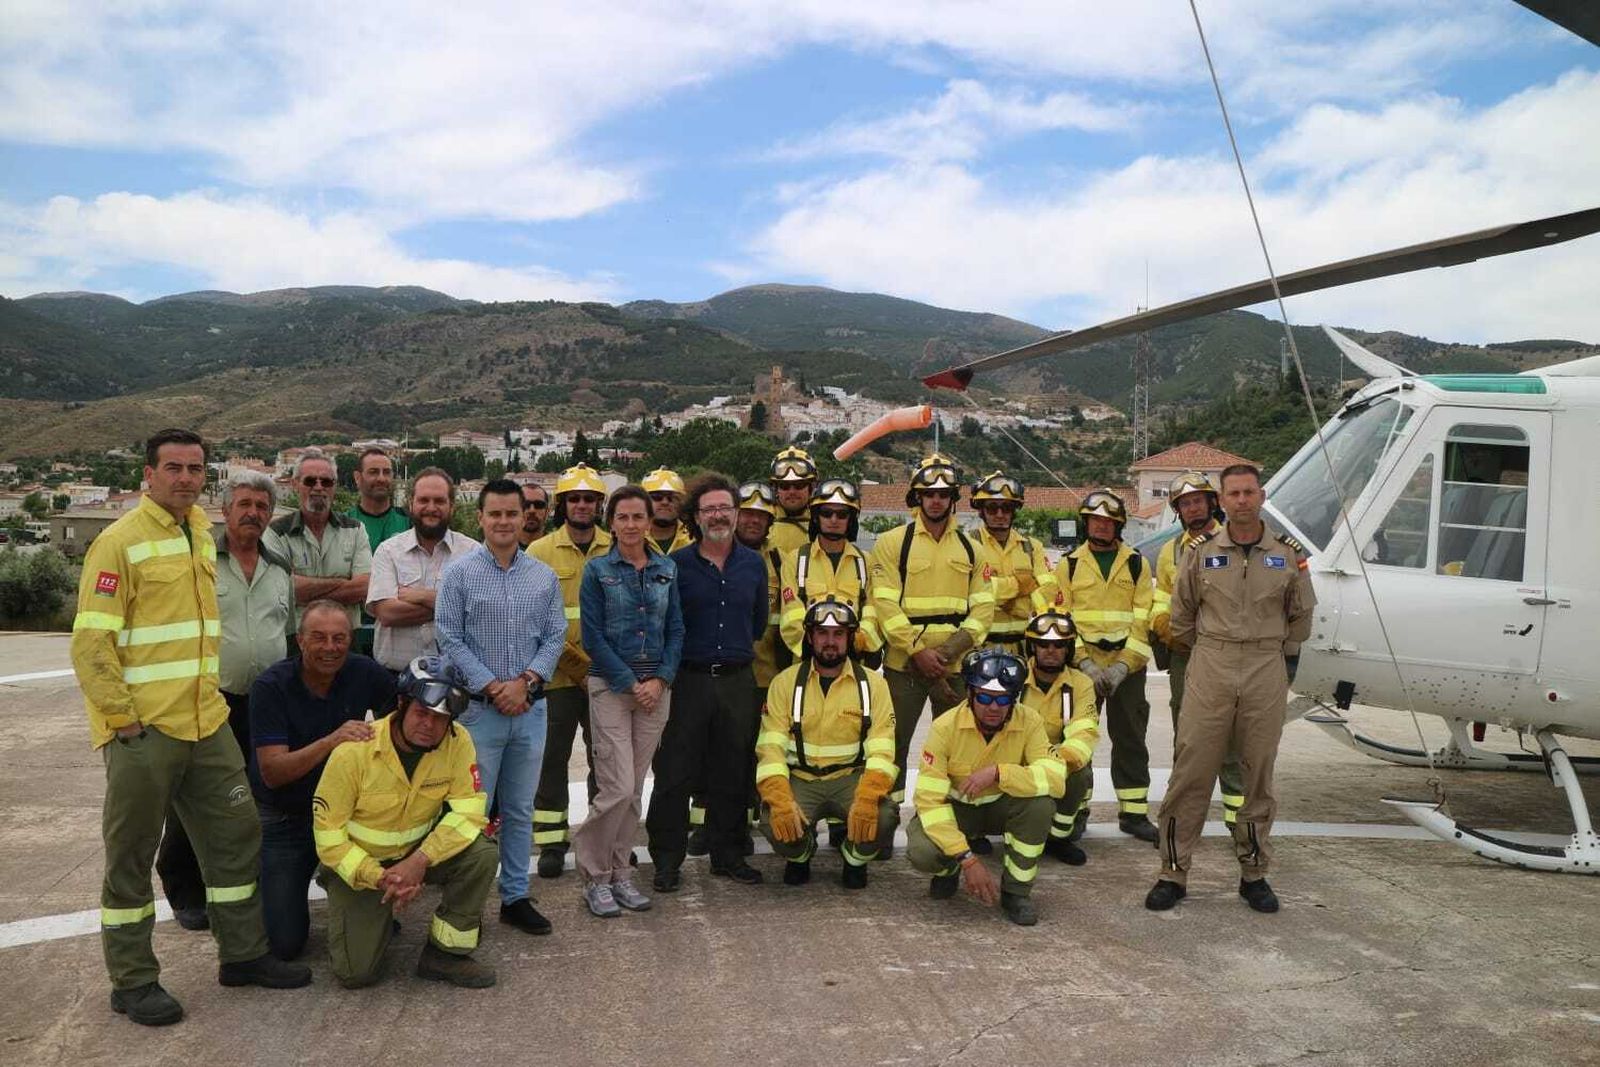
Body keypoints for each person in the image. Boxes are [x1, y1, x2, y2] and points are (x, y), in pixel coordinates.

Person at [71, 428, 310, 1027]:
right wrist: (123, 723)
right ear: (147, 476)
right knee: (130, 856)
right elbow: (92, 642)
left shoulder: (200, 535)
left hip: (207, 722)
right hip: (144, 731)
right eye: (172, 468)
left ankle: (243, 955)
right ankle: (133, 981)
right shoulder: (119, 543)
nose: (184, 477)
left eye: (195, 468)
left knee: (234, 839)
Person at [1146, 465, 1314, 914]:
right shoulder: (1199, 552)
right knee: (1191, 770)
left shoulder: (1285, 553)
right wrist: (1211, 649)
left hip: (1265, 665)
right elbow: (1180, 615)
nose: (1241, 500)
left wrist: (1265, 647)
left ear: (1262, 496)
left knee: (1258, 773)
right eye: (1233, 493)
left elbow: (1301, 618)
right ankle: (1173, 872)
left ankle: (1254, 873)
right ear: (1223, 499)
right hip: (1211, 663)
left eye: (1249, 492)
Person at [156, 468, 294, 931]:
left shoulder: (280, 569)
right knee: (194, 798)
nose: (253, 514)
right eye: (244, 505)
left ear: (270, 516)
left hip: (266, 703)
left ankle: (246, 883)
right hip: (211, 699)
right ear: (225, 510)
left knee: (256, 797)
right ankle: (184, 887)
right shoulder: (198, 560)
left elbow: (286, 632)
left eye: (262, 507)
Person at [312, 656, 498, 988]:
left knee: (482, 854)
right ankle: (370, 913)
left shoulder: (459, 743)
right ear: (401, 705)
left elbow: (469, 814)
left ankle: (444, 955)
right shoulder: (353, 752)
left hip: (417, 855)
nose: (430, 725)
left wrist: (418, 861)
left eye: (441, 718)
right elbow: (329, 838)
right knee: (356, 975)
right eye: (422, 713)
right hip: (362, 866)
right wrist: (379, 877)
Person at [435, 478, 568, 936]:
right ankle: (462, 901)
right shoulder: (458, 574)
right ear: (481, 517)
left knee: (518, 809)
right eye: (496, 514)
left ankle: (514, 896)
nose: (505, 521)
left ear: (527, 517)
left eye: (514, 513)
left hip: (529, 711)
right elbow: (449, 636)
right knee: (472, 809)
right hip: (478, 712)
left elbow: (555, 636)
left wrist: (526, 682)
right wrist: (494, 686)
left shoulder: (543, 577)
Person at [248, 601, 394, 960]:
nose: (330, 647)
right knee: (284, 945)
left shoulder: (365, 672)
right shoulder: (270, 686)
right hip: (286, 816)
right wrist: (332, 741)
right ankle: (267, 881)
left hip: (346, 816)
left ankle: (346, 888)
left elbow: (403, 721)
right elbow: (274, 772)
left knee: (379, 927)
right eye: (319, 638)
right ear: (300, 640)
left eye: (339, 638)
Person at [648, 474, 769, 889]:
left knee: (733, 772)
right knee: (674, 773)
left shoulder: (754, 565)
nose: (718, 515)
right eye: (709, 509)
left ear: (736, 513)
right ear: (694, 518)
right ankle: (666, 861)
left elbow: (757, 623)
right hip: (688, 681)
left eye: (725, 508)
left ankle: (728, 855)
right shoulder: (675, 566)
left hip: (737, 682)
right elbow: (663, 625)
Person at [867, 452, 994, 849]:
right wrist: (919, 650)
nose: (936, 501)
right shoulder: (892, 544)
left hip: (954, 668)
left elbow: (983, 608)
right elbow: (884, 604)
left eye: (943, 494)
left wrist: (949, 652)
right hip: (904, 666)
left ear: (954, 498)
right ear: (916, 498)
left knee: (958, 747)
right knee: (893, 746)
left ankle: (952, 828)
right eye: (928, 494)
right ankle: (883, 828)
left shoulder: (974, 550)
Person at [573, 486, 684, 917]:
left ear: (648, 520)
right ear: (611, 521)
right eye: (624, 517)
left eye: (639, 517)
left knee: (634, 790)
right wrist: (627, 681)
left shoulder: (666, 569)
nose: (632, 525)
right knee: (615, 786)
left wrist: (661, 678)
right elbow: (592, 636)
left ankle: (620, 873)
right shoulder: (597, 571)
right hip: (612, 688)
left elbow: (675, 629)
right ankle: (594, 876)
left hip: (656, 690)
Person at [905, 649, 1064, 926]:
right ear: (970, 694)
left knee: (1041, 805)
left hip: (1002, 807)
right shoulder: (945, 728)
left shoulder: (1030, 721)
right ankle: (948, 870)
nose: (994, 707)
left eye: (1003, 699)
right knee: (922, 851)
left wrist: (999, 773)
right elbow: (929, 801)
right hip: (959, 812)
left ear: (1013, 699)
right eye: (985, 698)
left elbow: (1056, 778)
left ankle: (1016, 892)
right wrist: (967, 859)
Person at [756, 597, 896, 888]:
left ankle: (853, 858)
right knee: (774, 821)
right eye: (822, 633)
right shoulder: (784, 683)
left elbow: (883, 748)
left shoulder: (874, 684)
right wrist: (780, 799)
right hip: (802, 780)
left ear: (849, 638)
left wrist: (869, 796)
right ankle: (801, 855)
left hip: (850, 779)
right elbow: (770, 750)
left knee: (882, 816)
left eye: (838, 634)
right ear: (810, 637)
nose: (830, 642)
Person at [1053, 489, 1157, 843]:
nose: (1101, 526)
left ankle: (1134, 812)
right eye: (1095, 520)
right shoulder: (1067, 565)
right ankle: (1077, 810)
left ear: (1119, 526)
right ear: (1086, 523)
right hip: (1084, 668)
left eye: (1108, 521)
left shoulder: (1136, 564)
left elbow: (1142, 619)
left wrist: (1123, 667)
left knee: (1130, 737)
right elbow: (1062, 618)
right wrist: (1084, 662)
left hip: (1126, 668)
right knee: (1079, 737)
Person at [529, 464, 613, 879]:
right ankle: (550, 841)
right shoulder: (540, 552)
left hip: (608, 677)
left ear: (600, 504)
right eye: (574, 498)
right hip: (557, 676)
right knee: (552, 759)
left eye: (589, 498)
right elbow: (535, 619)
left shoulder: (617, 547)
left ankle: (605, 839)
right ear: (562, 505)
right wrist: (576, 665)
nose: (582, 505)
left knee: (607, 761)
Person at [1149, 471, 1244, 828]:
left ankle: (1239, 818)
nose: (1192, 508)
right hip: (1184, 653)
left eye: (1197, 501)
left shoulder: (1234, 541)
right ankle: (1186, 813)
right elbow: (1163, 596)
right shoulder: (1170, 550)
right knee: (1186, 735)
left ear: (1212, 503)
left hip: (1223, 655)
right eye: (1185, 504)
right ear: (1178, 511)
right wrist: (1162, 624)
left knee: (1229, 735)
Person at [366, 467, 476, 673]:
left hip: (457, 679)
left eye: (439, 501)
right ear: (411, 504)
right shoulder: (388, 551)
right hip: (395, 678)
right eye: (424, 500)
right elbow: (388, 613)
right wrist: (454, 606)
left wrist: (420, 596)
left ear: (452, 506)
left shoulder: (472, 553)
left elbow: (476, 612)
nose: (431, 507)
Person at [1017, 612, 1099, 865]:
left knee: (1081, 771)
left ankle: (1058, 837)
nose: (1050, 650)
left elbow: (1083, 733)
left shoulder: (1082, 684)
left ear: (1069, 649)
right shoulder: (1013, 677)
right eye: (1043, 644)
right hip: (1017, 765)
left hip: (1059, 767)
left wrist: (1053, 765)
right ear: (1032, 646)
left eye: (1059, 645)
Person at [265, 447, 371, 631]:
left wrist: (305, 589)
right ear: (295, 484)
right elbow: (282, 590)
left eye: (327, 482)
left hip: (344, 640)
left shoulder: (355, 529)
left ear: (335, 486)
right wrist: (344, 583)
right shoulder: (276, 533)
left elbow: (363, 587)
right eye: (310, 481)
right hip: (296, 642)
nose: (319, 487)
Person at [777, 478, 880, 662]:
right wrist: (818, 648)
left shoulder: (866, 562)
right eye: (827, 513)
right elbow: (791, 616)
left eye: (842, 514)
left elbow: (873, 612)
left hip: (853, 662)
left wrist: (855, 643)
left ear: (851, 520)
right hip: (807, 662)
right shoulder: (795, 561)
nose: (834, 520)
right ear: (816, 517)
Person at [969, 471, 1058, 650]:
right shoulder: (968, 546)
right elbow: (968, 591)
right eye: (992, 507)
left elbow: (1049, 592)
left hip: (1025, 649)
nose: (1000, 514)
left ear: (1014, 511)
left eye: (1007, 508)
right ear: (981, 511)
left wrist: (1012, 605)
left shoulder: (1033, 548)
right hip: (981, 649)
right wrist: (1020, 586)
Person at [348, 447, 410, 655]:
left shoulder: (409, 523)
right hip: (352, 637)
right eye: (374, 472)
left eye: (387, 472)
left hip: (399, 635)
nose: (381, 478)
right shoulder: (343, 525)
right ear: (358, 478)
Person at [766, 445, 817, 553]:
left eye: (799, 485)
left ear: (811, 487)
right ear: (775, 489)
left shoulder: (825, 525)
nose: (792, 492)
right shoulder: (762, 525)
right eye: (784, 486)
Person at [641, 467, 694, 554]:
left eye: (671, 498)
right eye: (657, 497)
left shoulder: (695, 539)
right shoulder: (631, 538)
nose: (665, 502)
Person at [519, 483, 551, 549]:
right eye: (525, 504)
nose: (532, 510)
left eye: (539, 505)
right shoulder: (499, 549)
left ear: (547, 511)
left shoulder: (557, 549)